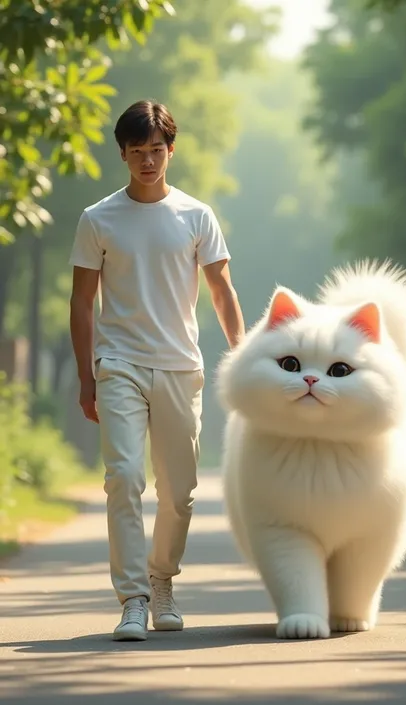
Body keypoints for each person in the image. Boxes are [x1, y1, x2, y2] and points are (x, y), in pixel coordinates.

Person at [69, 99, 245, 641]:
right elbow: (81, 303)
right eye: (137, 151)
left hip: (179, 365)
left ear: (171, 150)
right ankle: (133, 598)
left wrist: (241, 358)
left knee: (179, 493)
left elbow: (221, 290)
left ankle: (162, 578)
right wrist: (86, 376)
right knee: (123, 478)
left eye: (157, 150)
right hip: (118, 363)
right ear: (122, 153)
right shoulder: (98, 219)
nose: (148, 161)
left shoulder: (196, 216)